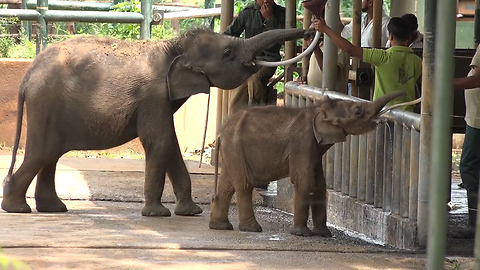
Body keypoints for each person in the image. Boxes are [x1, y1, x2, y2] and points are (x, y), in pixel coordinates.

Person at [313, 17, 422, 111]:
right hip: (408, 116)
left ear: (391, 36)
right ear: (408, 37)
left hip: (384, 112)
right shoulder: (418, 62)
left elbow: (350, 49)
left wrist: (325, 29)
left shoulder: (383, 57)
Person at [223, 0, 285, 114]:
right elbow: (229, 34)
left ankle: (257, 112)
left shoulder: (282, 14)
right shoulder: (247, 13)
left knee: (255, 78)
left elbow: (285, 40)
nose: (265, 1)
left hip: (269, 61)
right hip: (248, 60)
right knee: (239, 86)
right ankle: (235, 117)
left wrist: (270, 18)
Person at [451, 44, 480, 238]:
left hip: (478, 120)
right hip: (475, 117)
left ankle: (474, 223)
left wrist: (449, 82)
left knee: (469, 166)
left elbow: (477, 79)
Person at [301, 23, 350, 94]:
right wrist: (306, 79)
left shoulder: (338, 46)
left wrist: (316, 49)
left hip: (332, 101)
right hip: (315, 98)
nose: (312, 23)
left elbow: (331, 74)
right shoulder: (320, 45)